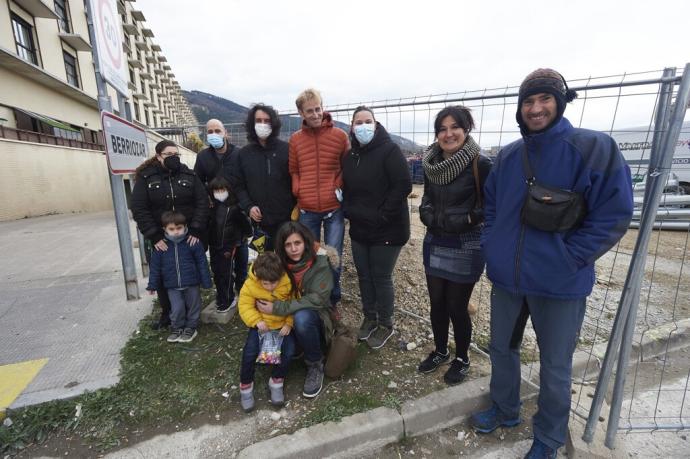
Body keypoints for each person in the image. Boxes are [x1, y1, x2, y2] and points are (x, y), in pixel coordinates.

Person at [470, 69, 634, 459]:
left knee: (555, 366)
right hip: (509, 281)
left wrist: (572, 257)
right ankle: (506, 409)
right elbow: (490, 206)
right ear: (520, 109)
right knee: (501, 349)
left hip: (561, 284)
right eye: (528, 101)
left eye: (544, 99)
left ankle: (548, 436)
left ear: (560, 103)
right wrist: (493, 245)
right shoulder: (510, 156)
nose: (536, 108)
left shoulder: (593, 148)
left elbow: (614, 213)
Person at [417, 106, 492, 385]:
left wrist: (467, 218)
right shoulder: (430, 164)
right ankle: (440, 350)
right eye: (442, 129)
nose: (448, 134)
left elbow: (491, 206)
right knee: (436, 302)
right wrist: (427, 214)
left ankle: (462, 357)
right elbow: (426, 198)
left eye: (454, 127)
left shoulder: (480, 164)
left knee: (457, 306)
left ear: (466, 129)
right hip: (435, 240)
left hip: (466, 243)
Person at [341, 106, 412, 350]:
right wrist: (349, 209)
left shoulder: (389, 150)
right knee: (363, 275)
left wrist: (382, 215)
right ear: (352, 127)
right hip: (361, 228)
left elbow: (403, 185)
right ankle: (369, 316)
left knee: (381, 277)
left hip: (388, 228)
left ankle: (385, 323)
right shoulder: (350, 157)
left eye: (367, 121)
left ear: (375, 123)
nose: (363, 126)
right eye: (358, 122)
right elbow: (347, 189)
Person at [132, 140, 209, 329]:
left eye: (176, 154)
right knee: (164, 277)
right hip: (161, 239)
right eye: (168, 154)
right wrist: (154, 236)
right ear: (158, 156)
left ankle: (191, 316)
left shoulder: (189, 175)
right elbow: (139, 208)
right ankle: (168, 314)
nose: (173, 157)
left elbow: (202, 203)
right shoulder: (146, 177)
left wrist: (197, 230)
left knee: (189, 274)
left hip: (188, 236)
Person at [255, 221, 337, 398]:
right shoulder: (278, 263)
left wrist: (277, 308)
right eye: (288, 245)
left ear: (305, 242)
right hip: (285, 315)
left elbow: (317, 299)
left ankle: (315, 363)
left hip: (316, 314)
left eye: (297, 243)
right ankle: (291, 348)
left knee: (302, 318)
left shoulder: (321, 262)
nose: (293, 249)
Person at [288, 88, 349, 307]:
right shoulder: (295, 140)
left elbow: (346, 167)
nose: (315, 114)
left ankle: (332, 300)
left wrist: (337, 185)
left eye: (318, 109)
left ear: (323, 108)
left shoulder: (340, 136)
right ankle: (314, 298)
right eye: (309, 111)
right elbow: (294, 169)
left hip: (334, 208)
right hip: (307, 209)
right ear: (301, 113)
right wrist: (298, 189)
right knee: (310, 257)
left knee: (332, 257)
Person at [194, 119, 248, 297]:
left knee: (240, 249)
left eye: (217, 130)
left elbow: (246, 181)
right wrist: (206, 199)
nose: (214, 134)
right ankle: (225, 290)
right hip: (215, 212)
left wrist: (243, 204)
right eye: (210, 131)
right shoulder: (203, 157)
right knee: (219, 251)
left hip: (237, 209)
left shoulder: (239, 154)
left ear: (226, 133)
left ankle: (242, 285)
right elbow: (198, 181)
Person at [238, 252, 295, 412]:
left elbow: (294, 304)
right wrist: (256, 321)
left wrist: (289, 323)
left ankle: (277, 380)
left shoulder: (288, 282)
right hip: (261, 325)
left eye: (274, 283)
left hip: (282, 325)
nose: (270, 287)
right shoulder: (250, 285)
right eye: (266, 283)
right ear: (258, 277)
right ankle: (246, 385)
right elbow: (245, 306)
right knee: (249, 353)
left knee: (289, 352)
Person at [234, 104, 295, 251]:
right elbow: (239, 185)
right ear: (252, 124)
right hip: (259, 221)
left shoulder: (286, 149)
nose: (262, 124)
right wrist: (248, 206)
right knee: (265, 264)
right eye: (258, 120)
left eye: (266, 120)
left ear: (273, 123)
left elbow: (295, 179)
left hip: (285, 219)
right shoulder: (244, 154)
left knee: (287, 260)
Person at [146, 211, 212, 343]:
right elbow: (155, 268)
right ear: (165, 229)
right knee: (177, 308)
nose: (176, 232)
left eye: (179, 228)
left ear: (185, 226)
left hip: (191, 283)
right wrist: (152, 285)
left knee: (194, 305)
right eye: (171, 229)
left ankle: (191, 327)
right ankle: (177, 328)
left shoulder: (192, 242)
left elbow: (202, 262)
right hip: (172, 286)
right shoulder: (161, 247)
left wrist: (206, 281)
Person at [208, 177, 252, 313]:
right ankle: (221, 297)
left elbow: (245, 224)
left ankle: (228, 299)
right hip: (214, 245)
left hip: (228, 246)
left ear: (228, 190)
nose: (219, 193)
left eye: (222, 190)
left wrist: (244, 236)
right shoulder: (211, 207)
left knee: (227, 273)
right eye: (216, 190)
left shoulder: (234, 208)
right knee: (217, 272)